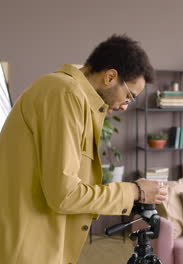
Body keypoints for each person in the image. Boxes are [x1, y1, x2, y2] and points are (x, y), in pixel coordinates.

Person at [0, 35, 168, 263]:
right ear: (110, 77)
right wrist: (134, 192)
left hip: (45, 242)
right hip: (28, 249)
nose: (125, 106)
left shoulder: (74, 97)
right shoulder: (65, 95)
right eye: (129, 96)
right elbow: (64, 194)